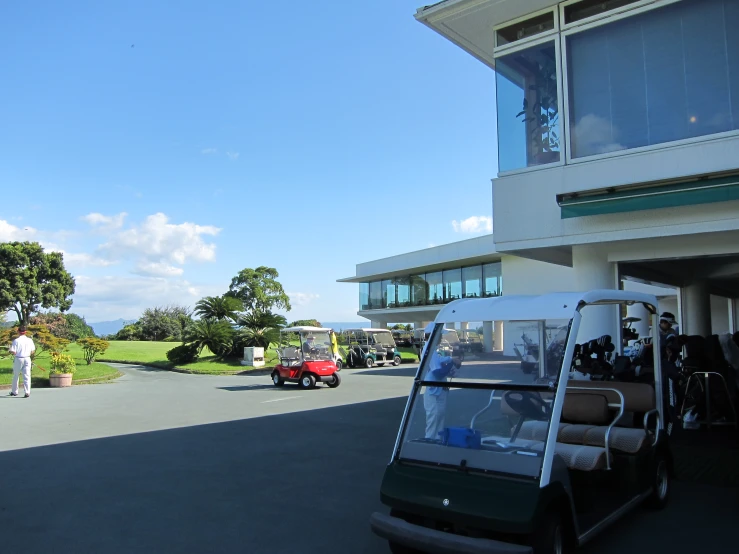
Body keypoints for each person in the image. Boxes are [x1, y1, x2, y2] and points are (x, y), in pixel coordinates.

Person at [423, 344, 462, 440]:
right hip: (433, 390)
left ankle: (437, 441)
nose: (441, 337)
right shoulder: (430, 352)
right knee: (434, 417)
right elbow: (438, 373)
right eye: (440, 335)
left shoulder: (435, 352)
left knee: (440, 416)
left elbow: (440, 365)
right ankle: (429, 441)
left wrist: (449, 368)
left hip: (440, 390)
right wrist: (452, 362)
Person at [9, 326, 35, 398]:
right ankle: (27, 392)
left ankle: (15, 391)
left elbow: (13, 352)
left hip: (19, 358)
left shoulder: (16, 341)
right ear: (25, 332)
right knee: (27, 375)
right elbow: (32, 351)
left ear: (18, 331)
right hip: (27, 358)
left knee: (16, 375)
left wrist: (10, 350)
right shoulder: (30, 340)